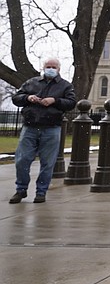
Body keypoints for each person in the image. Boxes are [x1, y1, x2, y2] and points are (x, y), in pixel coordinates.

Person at [9, 58, 76, 204]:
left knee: (47, 163)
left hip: (51, 128)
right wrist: (28, 97)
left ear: (58, 69)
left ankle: (41, 192)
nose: (50, 69)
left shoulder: (65, 86)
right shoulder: (32, 83)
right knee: (22, 160)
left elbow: (71, 103)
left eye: (53, 67)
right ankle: (21, 189)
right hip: (30, 126)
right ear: (43, 68)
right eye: (48, 66)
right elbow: (16, 98)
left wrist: (55, 101)